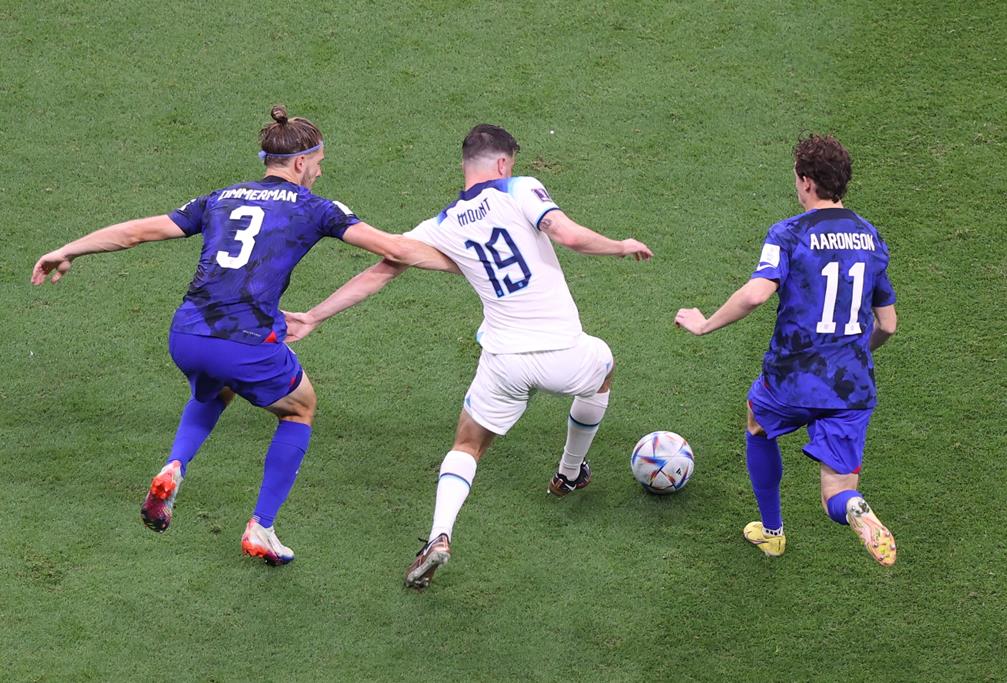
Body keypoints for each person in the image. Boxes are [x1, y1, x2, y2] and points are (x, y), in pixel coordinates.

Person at [31, 105, 454, 566]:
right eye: (318, 163)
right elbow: (396, 250)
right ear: (300, 163)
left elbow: (135, 233)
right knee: (299, 409)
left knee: (218, 388)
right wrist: (469, 263)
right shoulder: (316, 208)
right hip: (244, 342)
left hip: (187, 335)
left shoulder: (219, 198)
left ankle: (174, 466)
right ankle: (262, 527)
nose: (319, 171)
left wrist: (68, 249)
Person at [286, 124, 653, 587]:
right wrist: (621, 246)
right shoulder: (520, 189)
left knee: (467, 445)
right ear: (502, 163)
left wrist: (314, 315)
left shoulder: (440, 226)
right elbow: (569, 236)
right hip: (563, 351)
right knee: (603, 369)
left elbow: (380, 272)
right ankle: (569, 472)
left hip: (503, 362)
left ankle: (438, 536)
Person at [675, 133, 898, 566]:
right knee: (836, 493)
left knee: (758, 423)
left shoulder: (790, 233)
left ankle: (772, 532)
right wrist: (859, 353)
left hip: (792, 378)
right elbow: (887, 324)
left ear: (807, 182)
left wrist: (704, 324)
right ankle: (854, 508)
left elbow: (756, 294)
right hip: (851, 386)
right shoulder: (870, 238)